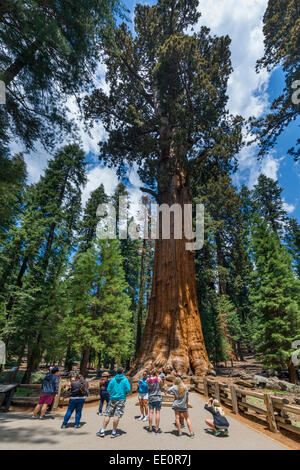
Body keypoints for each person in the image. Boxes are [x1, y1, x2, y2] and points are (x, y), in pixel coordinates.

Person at [96, 367, 130, 438]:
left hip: (112, 399)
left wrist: (112, 393)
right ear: (122, 372)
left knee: (108, 414)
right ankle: (114, 432)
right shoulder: (125, 380)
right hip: (121, 399)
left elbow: (108, 389)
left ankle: (102, 431)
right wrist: (123, 392)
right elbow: (128, 389)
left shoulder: (113, 380)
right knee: (116, 415)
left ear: (116, 372)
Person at [146, 368, 163, 433]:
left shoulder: (148, 379)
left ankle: (150, 428)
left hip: (151, 397)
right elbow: (161, 386)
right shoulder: (159, 378)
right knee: (157, 412)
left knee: (150, 412)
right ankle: (156, 428)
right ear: (156, 373)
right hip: (158, 397)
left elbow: (148, 387)